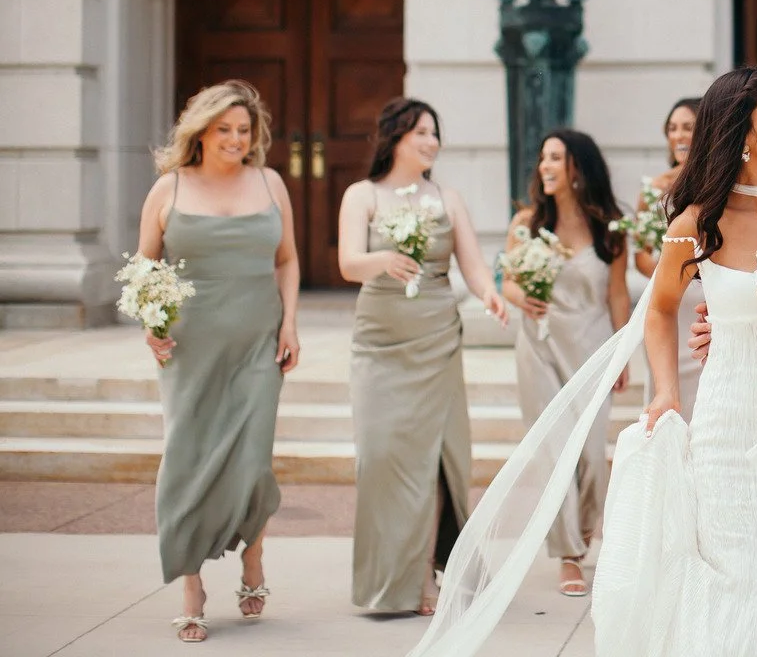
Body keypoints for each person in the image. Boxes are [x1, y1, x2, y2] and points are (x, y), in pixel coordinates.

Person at [403, 66, 757, 657]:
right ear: (741, 133)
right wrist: (664, 391)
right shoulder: (696, 224)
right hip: (728, 422)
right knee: (736, 578)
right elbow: (660, 309)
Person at [134, 80, 299, 644]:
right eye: (224, 129)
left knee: (253, 461)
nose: (235, 139)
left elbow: (288, 259)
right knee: (186, 459)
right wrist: (151, 329)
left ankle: (253, 555)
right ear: (200, 131)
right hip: (190, 347)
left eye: (244, 130)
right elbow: (145, 272)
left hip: (258, 341)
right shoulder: (169, 189)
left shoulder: (270, 182)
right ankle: (191, 585)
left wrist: (290, 322)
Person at [337, 98, 507, 615]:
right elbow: (347, 264)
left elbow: (473, 267)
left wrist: (490, 295)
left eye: (435, 133)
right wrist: (382, 259)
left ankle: (426, 579)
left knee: (433, 459)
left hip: (435, 338)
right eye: (422, 133)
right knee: (381, 455)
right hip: (379, 339)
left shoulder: (447, 198)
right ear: (395, 137)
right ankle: (385, 578)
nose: (432, 142)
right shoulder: (361, 195)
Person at [500, 129, 631, 597]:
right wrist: (523, 298)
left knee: (592, 456)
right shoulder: (526, 223)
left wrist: (622, 353)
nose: (545, 166)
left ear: (579, 167)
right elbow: (507, 283)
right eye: (543, 158)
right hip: (538, 347)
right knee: (556, 454)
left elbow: (617, 294)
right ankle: (568, 554)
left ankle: (586, 529)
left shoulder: (611, 227)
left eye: (556, 157)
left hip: (592, 348)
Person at [636, 98, 705, 420]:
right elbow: (640, 256)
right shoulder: (652, 190)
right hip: (670, 301)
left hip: (705, 300)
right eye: (672, 128)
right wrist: (675, 269)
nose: (679, 136)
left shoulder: (714, 187)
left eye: (687, 128)